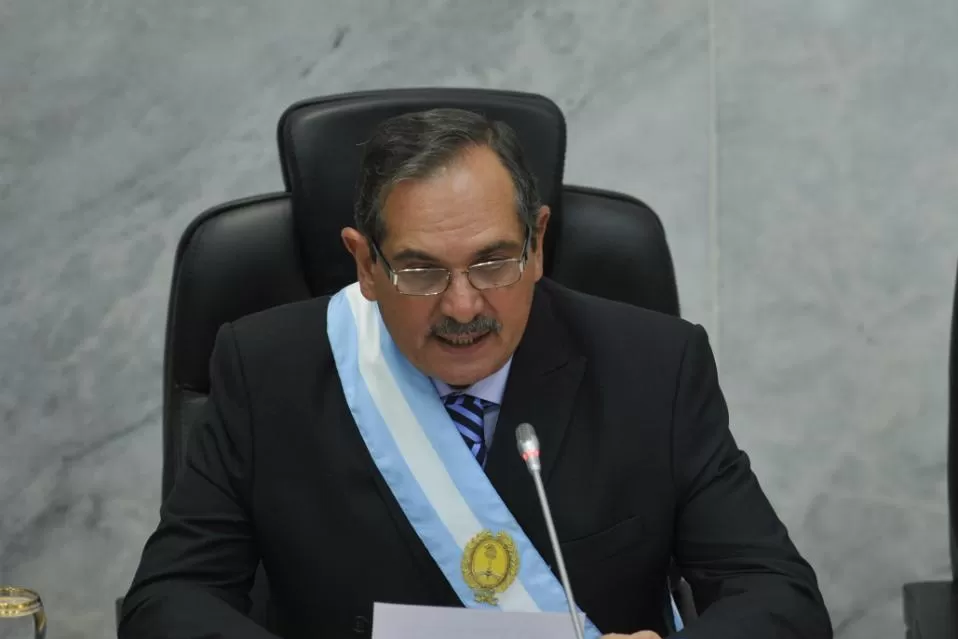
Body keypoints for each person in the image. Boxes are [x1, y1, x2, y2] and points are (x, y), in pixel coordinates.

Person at [119, 108, 832, 639]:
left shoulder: (655, 367)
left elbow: (781, 595)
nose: (464, 306)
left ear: (539, 241)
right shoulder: (265, 368)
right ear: (365, 263)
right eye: (421, 269)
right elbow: (167, 599)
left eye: (494, 260)